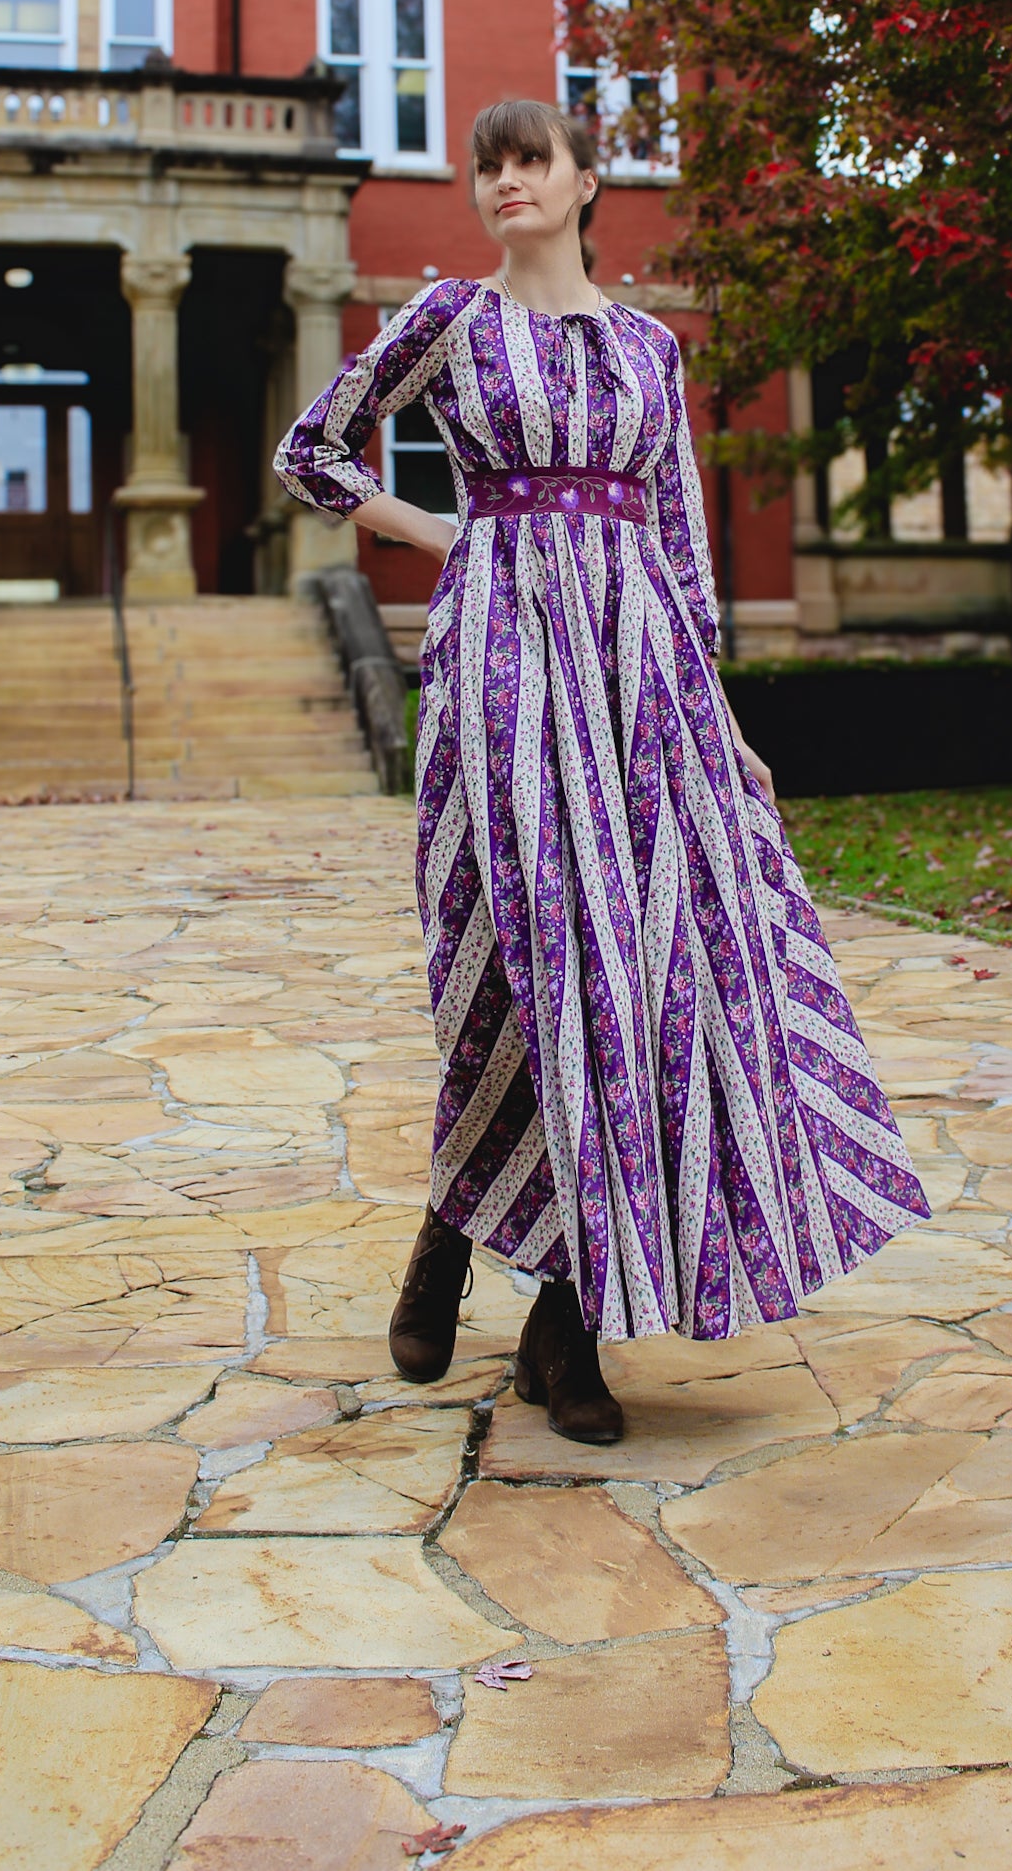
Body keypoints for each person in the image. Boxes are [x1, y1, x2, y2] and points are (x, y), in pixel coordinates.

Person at [275, 99, 928, 1445]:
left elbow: (682, 541)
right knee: (519, 968)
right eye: (488, 167)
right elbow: (312, 450)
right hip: (503, 664)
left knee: (642, 977)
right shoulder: (452, 321)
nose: (505, 182)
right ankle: (451, 1229)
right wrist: (441, 533)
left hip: (640, 681)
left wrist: (721, 716)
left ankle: (564, 1327)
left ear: (585, 183)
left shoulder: (647, 347)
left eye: (531, 162)